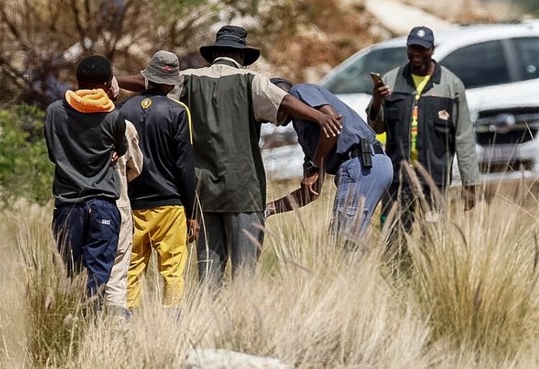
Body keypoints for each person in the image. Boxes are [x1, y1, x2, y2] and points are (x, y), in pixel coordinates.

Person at [118, 26, 341, 285]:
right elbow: (285, 103)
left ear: (213, 55)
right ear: (243, 56)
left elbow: (149, 82)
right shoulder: (251, 81)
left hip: (203, 192)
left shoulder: (188, 79)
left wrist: (114, 80)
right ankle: (239, 321)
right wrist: (320, 116)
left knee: (208, 273)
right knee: (244, 274)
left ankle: (205, 321)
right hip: (244, 191)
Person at [367, 26, 478, 233]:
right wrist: (376, 102)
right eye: (412, 48)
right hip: (397, 177)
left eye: (422, 48)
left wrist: (469, 182)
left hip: (434, 178)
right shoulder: (391, 80)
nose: (416, 53)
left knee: (433, 237)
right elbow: (375, 127)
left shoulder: (451, 85)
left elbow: (463, 137)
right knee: (394, 236)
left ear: (432, 50)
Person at [44, 55, 136, 304]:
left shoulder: (54, 112)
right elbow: (120, 149)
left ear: (77, 81)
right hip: (103, 203)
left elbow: (54, 154)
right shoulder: (113, 117)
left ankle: (70, 328)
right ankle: (94, 332)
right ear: (109, 84)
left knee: (68, 275)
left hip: (68, 204)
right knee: (97, 279)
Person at [265, 79, 394, 244]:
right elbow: (311, 191)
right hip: (369, 164)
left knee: (344, 240)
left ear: (279, 100)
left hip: (361, 163)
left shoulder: (298, 92)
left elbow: (333, 120)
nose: (267, 118)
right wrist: (268, 209)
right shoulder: (304, 130)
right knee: (347, 237)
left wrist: (316, 165)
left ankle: (350, 270)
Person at [123, 51, 198, 309]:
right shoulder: (178, 111)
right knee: (172, 271)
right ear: (170, 83)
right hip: (170, 205)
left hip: (133, 204)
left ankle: (126, 326)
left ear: (147, 77)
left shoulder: (125, 109)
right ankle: (171, 327)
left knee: (131, 270)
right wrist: (192, 212)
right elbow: (185, 167)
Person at [103, 76, 142, 314]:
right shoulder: (124, 126)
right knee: (117, 273)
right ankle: (116, 333)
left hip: (75, 204)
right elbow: (135, 168)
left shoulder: (64, 118)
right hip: (117, 204)